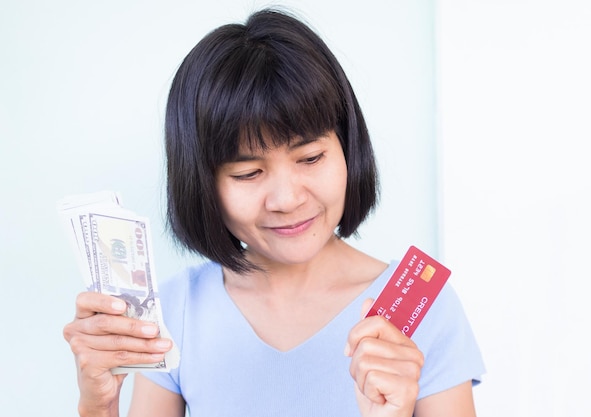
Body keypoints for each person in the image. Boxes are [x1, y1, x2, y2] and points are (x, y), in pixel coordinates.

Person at [63, 8, 485, 417]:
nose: (286, 198)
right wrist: (97, 406)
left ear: (347, 147)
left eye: (311, 157)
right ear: (202, 182)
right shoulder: (176, 311)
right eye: (248, 173)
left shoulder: (423, 309)